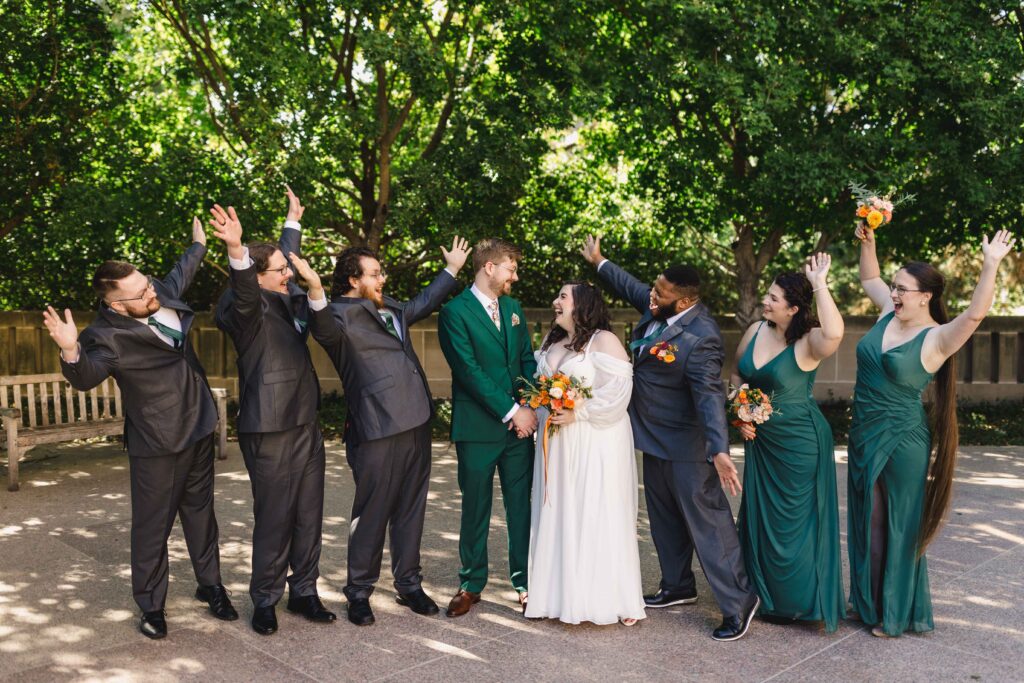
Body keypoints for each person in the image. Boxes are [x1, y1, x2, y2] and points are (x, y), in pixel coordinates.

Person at [41, 219, 237, 640]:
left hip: (200, 424)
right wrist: (70, 348)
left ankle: (211, 586)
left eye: (148, 285)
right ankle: (151, 605)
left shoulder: (155, 293)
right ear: (115, 306)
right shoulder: (104, 336)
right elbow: (86, 377)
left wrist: (198, 245)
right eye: (141, 294)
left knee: (202, 516)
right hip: (158, 441)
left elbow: (180, 273)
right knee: (153, 526)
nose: (152, 294)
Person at [582, 235, 760, 642]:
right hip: (652, 438)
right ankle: (678, 585)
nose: (651, 295)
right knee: (663, 521)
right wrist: (599, 261)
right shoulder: (660, 306)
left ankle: (738, 601)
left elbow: (709, 397)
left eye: (659, 292)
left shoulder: (702, 338)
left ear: (682, 302)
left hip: (687, 447)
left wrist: (718, 450)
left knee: (709, 525)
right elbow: (631, 288)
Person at [849, 225, 1016, 637]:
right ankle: (868, 603)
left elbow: (975, 313)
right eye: (894, 287)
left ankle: (895, 613)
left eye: (903, 289)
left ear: (925, 296)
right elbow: (869, 278)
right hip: (863, 434)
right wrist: (868, 243)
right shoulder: (887, 313)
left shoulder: (938, 338)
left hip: (903, 441)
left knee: (900, 525)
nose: (894, 294)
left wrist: (990, 264)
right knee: (868, 521)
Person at [310, 237, 471, 626]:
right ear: (352, 280)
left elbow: (423, 303)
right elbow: (320, 328)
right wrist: (314, 291)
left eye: (381, 272)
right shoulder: (335, 316)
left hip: (416, 421)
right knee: (372, 513)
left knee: (411, 507)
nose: (382, 278)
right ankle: (359, 591)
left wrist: (451, 269)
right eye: (375, 273)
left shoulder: (392, 308)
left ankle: (409, 584)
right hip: (376, 426)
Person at [211, 189, 335, 636]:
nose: (290, 275)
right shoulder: (245, 308)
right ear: (257, 276)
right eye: (281, 271)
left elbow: (283, 263)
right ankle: (265, 598)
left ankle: (304, 592)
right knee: (275, 515)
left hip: (305, 422)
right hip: (268, 427)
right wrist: (235, 248)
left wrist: (293, 224)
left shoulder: (280, 291)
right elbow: (247, 283)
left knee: (308, 512)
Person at [730, 254, 844, 632]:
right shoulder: (755, 330)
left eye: (774, 298)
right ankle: (766, 597)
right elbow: (737, 376)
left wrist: (820, 284)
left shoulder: (809, 342)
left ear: (794, 308)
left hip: (800, 445)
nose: (766, 300)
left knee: (794, 524)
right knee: (762, 520)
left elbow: (835, 335)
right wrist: (741, 412)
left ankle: (799, 601)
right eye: (767, 294)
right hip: (761, 443)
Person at [524, 282, 646, 626]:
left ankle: (612, 597)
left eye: (562, 296)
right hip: (558, 443)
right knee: (560, 509)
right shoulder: (552, 342)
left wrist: (580, 411)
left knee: (595, 509)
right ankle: (558, 595)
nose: (555, 301)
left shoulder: (603, 340)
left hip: (595, 441)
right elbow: (541, 388)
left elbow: (620, 393)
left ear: (583, 304)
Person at [438, 238, 538, 618]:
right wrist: (512, 411)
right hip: (479, 428)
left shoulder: (513, 308)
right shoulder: (454, 313)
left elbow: (527, 359)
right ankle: (470, 584)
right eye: (511, 267)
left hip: (519, 431)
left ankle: (526, 582)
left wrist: (528, 405)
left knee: (520, 508)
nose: (515, 274)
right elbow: (468, 371)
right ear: (489, 268)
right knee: (475, 507)